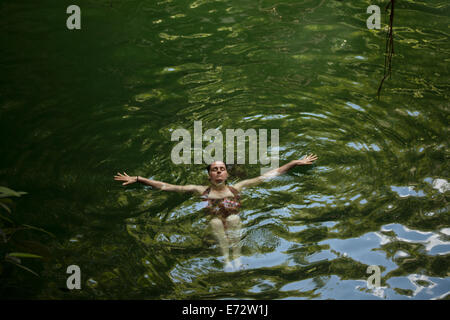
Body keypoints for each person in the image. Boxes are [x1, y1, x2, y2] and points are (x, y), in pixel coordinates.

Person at [114, 154, 318, 271]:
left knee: (235, 217)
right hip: (214, 233)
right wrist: (140, 179)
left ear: (227, 173)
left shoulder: (240, 186)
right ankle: (226, 259)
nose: (219, 171)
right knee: (215, 223)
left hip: (235, 228)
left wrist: (294, 163)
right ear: (209, 174)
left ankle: (236, 256)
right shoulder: (199, 190)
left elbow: (271, 175)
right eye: (214, 169)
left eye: (222, 168)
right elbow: (166, 186)